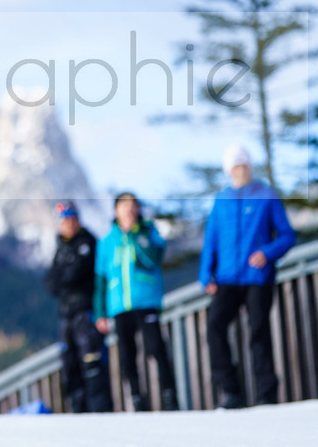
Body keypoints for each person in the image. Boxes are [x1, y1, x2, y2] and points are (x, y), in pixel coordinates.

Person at [199, 143, 296, 409]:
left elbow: (287, 235)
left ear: (249, 166)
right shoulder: (221, 201)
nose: (240, 170)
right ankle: (230, 391)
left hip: (258, 277)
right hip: (227, 279)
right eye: (235, 166)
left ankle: (266, 394)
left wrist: (267, 252)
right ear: (229, 170)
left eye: (243, 165)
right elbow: (211, 240)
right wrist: (206, 274)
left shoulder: (266, 195)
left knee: (259, 332)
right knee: (215, 327)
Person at [93, 192, 179, 411]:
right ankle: (136, 399)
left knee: (156, 348)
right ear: (116, 210)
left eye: (133, 205)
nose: (129, 210)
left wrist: (136, 234)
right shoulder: (106, 241)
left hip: (146, 301)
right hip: (119, 305)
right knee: (127, 355)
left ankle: (170, 396)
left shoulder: (148, 231)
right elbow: (100, 280)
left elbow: (154, 258)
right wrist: (100, 313)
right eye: (124, 205)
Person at [43, 201, 113, 413]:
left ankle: (100, 412)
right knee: (70, 365)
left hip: (86, 312)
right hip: (66, 315)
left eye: (71, 219)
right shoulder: (61, 248)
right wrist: (65, 278)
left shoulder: (87, 243)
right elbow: (51, 283)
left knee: (92, 363)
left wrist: (65, 279)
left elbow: (74, 275)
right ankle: (78, 411)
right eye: (64, 221)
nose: (68, 224)